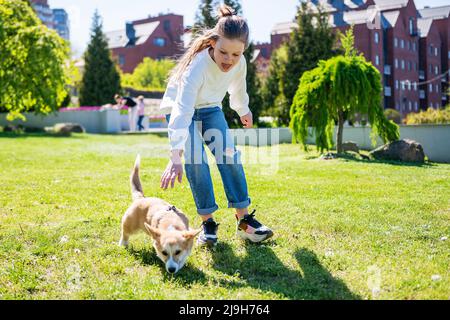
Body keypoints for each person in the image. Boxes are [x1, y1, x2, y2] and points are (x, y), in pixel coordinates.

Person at [159, 5, 273, 247]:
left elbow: (237, 89)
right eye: (223, 52)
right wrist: (176, 153)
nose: (229, 60)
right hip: (179, 108)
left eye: (236, 54)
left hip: (210, 107)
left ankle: (245, 222)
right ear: (212, 43)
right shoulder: (197, 67)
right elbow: (183, 109)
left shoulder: (239, 62)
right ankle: (208, 223)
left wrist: (244, 110)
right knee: (196, 161)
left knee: (229, 155)